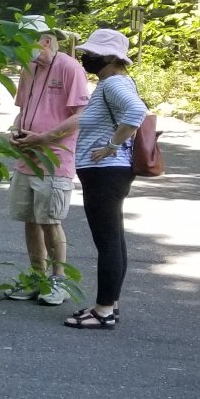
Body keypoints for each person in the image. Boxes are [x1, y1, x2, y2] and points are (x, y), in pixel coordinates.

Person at [64, 28, 147, 329]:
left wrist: (111, 146)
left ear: (112, 58)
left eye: (93, 55)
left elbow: (137, 110)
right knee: (115, 240)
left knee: (108, 241)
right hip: (109, 173)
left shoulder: (113, 83)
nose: (86, 58)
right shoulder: (119, 81)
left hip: (105, 173)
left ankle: (103, 310)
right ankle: (110, 303)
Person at [6, 16, 87, 306]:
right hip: (26, 157)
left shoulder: (69, 67)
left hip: (54, 160)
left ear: (46, 40)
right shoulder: (28, 68)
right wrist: (14, 132)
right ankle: (36, 277)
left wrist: (43, 138)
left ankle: (58, 280)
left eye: (27, 42)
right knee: (30, 219)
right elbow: (22, 109)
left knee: (51, 221)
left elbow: (81, 115)